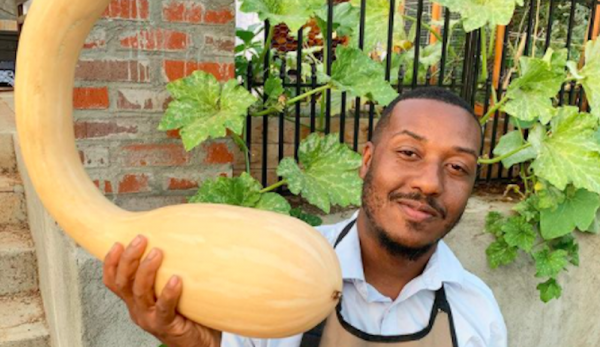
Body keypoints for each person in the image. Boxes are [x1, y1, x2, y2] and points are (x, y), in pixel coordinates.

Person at [103, 87, 507, 347]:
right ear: (367, 161)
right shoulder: (272, 267)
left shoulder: (477, 313)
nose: (430, 183)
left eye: (457, 167)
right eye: (408, 153)